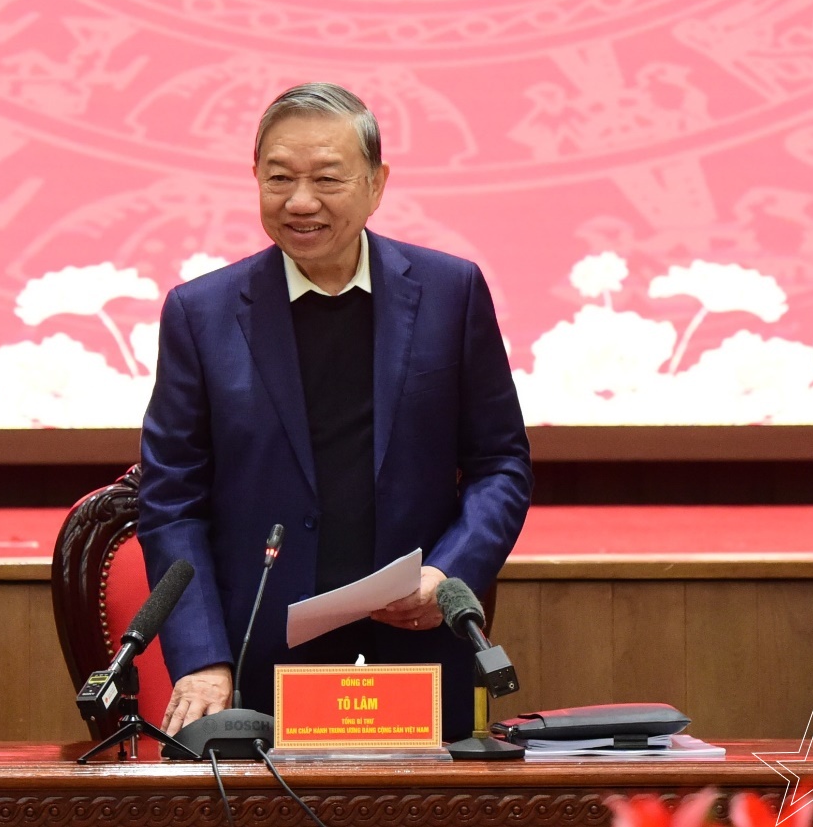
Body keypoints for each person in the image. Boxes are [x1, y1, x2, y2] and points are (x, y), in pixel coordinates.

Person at [138, 83, 532, 741]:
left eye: (326, 178)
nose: (300, 201)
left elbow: (500, 464)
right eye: (279, 178)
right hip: (256, 659)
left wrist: (447, 574)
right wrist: (203, 657)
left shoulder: (450, 292)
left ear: (376, 184)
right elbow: (171, 501)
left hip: (415, 646)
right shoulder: (201, 314)